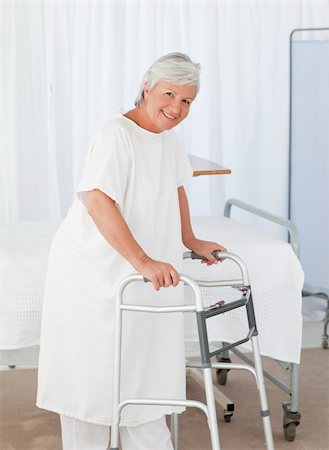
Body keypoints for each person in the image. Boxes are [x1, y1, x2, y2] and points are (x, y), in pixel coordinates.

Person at [36, 52, 226, 450]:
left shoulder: (167, 138)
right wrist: (143, 260)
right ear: (147, 87)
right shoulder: (114, 133)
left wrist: (189, 240)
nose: (176, 108)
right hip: (92, 271)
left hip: (139, 277)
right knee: (92, 383)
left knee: (142, 376)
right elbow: (97, 200)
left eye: (187, 100)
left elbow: (176, 188)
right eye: (169, 94)